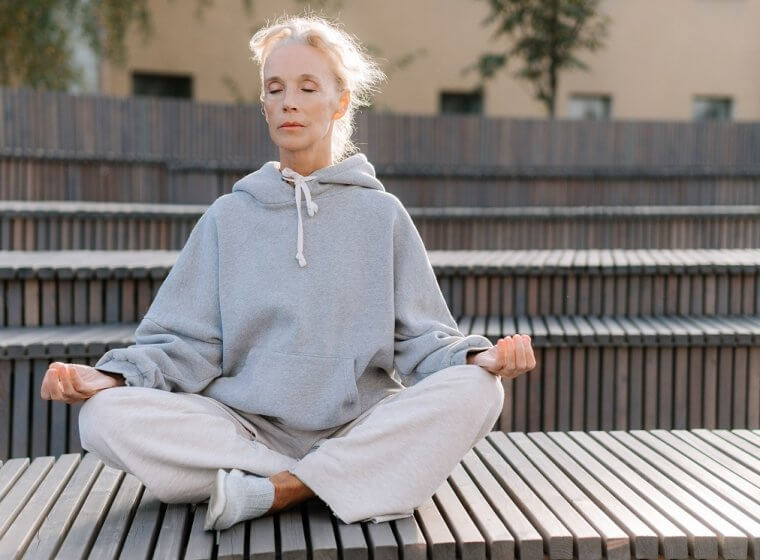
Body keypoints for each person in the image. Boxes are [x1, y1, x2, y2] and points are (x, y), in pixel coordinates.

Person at [40, 12, 536, 543]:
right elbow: (183, 343)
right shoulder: (227, 218)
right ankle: (334, 478)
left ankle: (281, 489)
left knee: (480, 392)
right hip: (243, 428)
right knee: (101, 418)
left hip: (356, 425)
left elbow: (420, 341)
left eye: (306, 87)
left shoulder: (382, 216)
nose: (288, 101)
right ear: (264, 106)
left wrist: (473, 357)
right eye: (274, 89)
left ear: (340, 102)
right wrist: (113, 378)